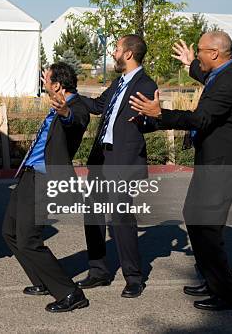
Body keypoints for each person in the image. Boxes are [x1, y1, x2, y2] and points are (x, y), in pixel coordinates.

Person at [129, 31, 232, 311]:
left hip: (222, 168)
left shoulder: (228, 81)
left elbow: (200, 118)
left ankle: (227, 294)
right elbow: (208, 76)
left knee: (204, 227)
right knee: (202, 224)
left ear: (215, 54)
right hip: (216, 165)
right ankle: (212, 280)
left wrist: (160, 114)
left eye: (199, 51)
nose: (196, 55)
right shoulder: (225, 71)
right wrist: (189, 65)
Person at [2, 62, 91, 313]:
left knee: (29, 239)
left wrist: (66, 113)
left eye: (47, 81)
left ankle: (71, 293)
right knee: (9, 232)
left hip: (45, 178)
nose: (44, 84)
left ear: (58, 85)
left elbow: (77, 121)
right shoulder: (57, 102)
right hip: (28, 175)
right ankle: (42, 281)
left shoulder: (75, 107)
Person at [76, 34, 158, 298]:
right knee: (94, 215)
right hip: (101, 158)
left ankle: (133, 277)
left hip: (123, 160)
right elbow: (99, 106)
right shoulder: (118, 83)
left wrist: (147, 117)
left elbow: (150, 122)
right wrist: (69, 95)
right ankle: (98, 271)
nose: (113, 53)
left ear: (129, 53)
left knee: (121, 219)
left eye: (117, 49)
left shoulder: (146, 85)